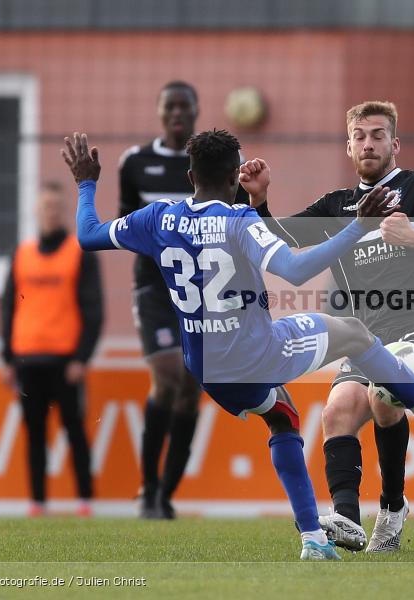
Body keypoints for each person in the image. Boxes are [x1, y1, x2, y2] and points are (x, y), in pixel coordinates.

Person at [62, 129, 414, 560]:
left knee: (282, 416)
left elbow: (88, 234)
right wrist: (357, 227)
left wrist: (86, 183)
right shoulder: (238, 221)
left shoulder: (156, 218)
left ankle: (314, 540)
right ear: (234, 177)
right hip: (257, 353)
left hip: (206, 365)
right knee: (354, 333)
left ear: (191, 174)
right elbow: (296, 269)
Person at [252, 101, 414, 552]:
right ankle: (345, 518)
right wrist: (258, 202)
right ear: (348, 146)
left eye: (377, 135)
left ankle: (392, 508)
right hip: (371, 341)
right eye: (359, 136)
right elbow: (280, 243)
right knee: (338, 409)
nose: (368, 144)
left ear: (394, 143)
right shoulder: (338, 205)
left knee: (385, 391)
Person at [119, 81, 249, 519]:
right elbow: (127, 226)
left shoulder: (217, 162)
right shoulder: (136, 163)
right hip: (156, 288)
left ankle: (165, 494)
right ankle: (147, 483)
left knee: (192, 386)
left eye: (184, 107)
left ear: (196, 111)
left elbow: (240, 220)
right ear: (159, 112)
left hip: (205, 288)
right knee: (169, 376)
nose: (177, 114)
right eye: (169, 107)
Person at [0, 181, 104, 517]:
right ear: (36, 212)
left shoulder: (78, 252)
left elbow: (93, 310)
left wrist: (81, 357)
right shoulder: (22, 254)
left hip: (65, 359)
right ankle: (38, 502)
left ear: (64, 212)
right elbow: (6, 307)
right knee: (34, 434)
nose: (51, 213)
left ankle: (85, 501)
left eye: (57, 208)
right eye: (46, 208)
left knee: (74, 430)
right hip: (28, 357)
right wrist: (7, 358)